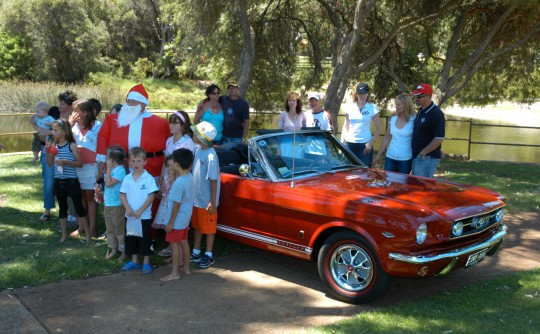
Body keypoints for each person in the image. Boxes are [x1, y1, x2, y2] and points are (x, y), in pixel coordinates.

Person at [96, 84, 169, 180]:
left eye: (133, 101)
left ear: (143, 104)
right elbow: (102, 138)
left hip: (149, 168)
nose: (129, 104)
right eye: (128, 101)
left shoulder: (161, 123)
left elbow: (169, 145)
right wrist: (102, 161)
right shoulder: (112, 120)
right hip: (119, 166)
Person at [153, 110, 195, 257]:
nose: (171, 125)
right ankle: (172, 244)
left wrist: (174, 181)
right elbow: (165, 162)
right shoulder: (169, 140)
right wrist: (161, 182)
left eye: (175, 122)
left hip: (178, 182)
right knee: (167, 211)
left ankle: (175, 246)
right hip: (167, 180)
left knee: (176, 211)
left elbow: (186, 165)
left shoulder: (187, 142)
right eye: (170, 121)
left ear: (183, 125)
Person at [33, 91, 77, 222]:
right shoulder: (52, 112)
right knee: (48, 182)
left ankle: (69, 213)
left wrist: (50, 131)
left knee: (68, 181)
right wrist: (41, 130)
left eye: (63, 104)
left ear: (70, 106)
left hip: (67, 151)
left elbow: (69, 133)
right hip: (49, 149)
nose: (59, 106)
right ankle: (47, 210)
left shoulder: (74, 116)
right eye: (60, 103)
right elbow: (38, 124)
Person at [45, 119, 90, 243]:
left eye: (55, 130)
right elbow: (50, 164)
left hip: (71, 181)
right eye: (52, 130)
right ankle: (64, 235)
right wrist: (48, 152)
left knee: (79, 207)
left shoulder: (72, 145)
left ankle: (87, 235)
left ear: (64, 132)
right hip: (59, 181)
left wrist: (66, 162)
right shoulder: (54, 146)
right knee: (62, 209)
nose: (53, 133)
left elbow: (80, 163)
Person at [120, 147, 158, 274]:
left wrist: (141, 210)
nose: (136, 164)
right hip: (130, 216)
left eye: (139, 161)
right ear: (129, 162)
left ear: (145, 162)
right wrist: (128, 208)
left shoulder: (149, 178)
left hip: (144, 216)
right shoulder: (127, 178)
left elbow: (151, 196)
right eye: (133, 161)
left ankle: (146, 262)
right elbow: (122, 195)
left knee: (145, 239)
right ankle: (135, 261)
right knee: (131, 238)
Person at [189, 121, 220, 269]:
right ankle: (196, 251)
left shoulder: (211, 156)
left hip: (207, 200)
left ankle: (208, 254)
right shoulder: (198, 149)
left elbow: (213, 180)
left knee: (208, 228)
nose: (193, 135)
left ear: (203, 138)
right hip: (197, 198)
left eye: (196, 134)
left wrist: (213, 201)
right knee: (197, 226)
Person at [160, 148, 194, 282]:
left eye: (173, 161)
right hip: (185, 219)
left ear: (177, 164)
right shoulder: (189, 177)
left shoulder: (178, 184)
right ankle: (186, 267)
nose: (171, 163)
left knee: (174, 245)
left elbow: (176, 205)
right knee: (184, 242)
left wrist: (170, 223)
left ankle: (175, 273)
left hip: (176, 221)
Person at [70, 99, 102, 239]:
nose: (74, 113)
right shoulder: (73, 126)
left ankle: (93, 228)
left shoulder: (98, 126)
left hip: (91, 166)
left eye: (77, 110)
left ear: (86, 112)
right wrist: (69, 125)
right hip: (76, 166)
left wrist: (102, 164)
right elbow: (62, 140)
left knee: (90, 197)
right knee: (79, 196)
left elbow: (102, 146)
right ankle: (81, 227)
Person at [375, 93, 417, 174]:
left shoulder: (414, 119)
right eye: (396, 104)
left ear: (406, 105)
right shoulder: (393, 118)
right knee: (388, 182)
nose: (396, 107)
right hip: (390, 157)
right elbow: (386, 137)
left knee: (402, 184)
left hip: (405, 159)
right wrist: (379, 155)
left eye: (398, 105)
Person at [342, 82, 382, 167]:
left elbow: (379, 128)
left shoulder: (372, 108)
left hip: (365, 145)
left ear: (368, 94)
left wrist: (371, 142)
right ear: (356, 94)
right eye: (360, 93)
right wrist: (343, 142)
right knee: (349, 172)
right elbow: (346, 127)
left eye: (364, 93)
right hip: (350, 144)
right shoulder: (350, 107)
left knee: (364, 173)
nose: (362, 95)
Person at [411, 83, 445, 178]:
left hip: (426, 157)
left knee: (422, 186)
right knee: (415, 184)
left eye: (419, 96)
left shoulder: (436, 114)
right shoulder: (421, 111)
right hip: (417, 155)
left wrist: (423, 152)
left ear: (428, 97)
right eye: (415, 96)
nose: (416, 98)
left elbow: (439, 138)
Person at [103, 145, 127, 261]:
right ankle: (113, 248)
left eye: (107, 158)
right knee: (110, 228)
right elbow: (108, 188)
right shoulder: (112, 170)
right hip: (108, 204)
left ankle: (123, 251)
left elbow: (108, 184)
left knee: (119, 229)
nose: (106, 160)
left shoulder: (120, 171)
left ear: (112, 160)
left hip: (117, 205)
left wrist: (108, 169)